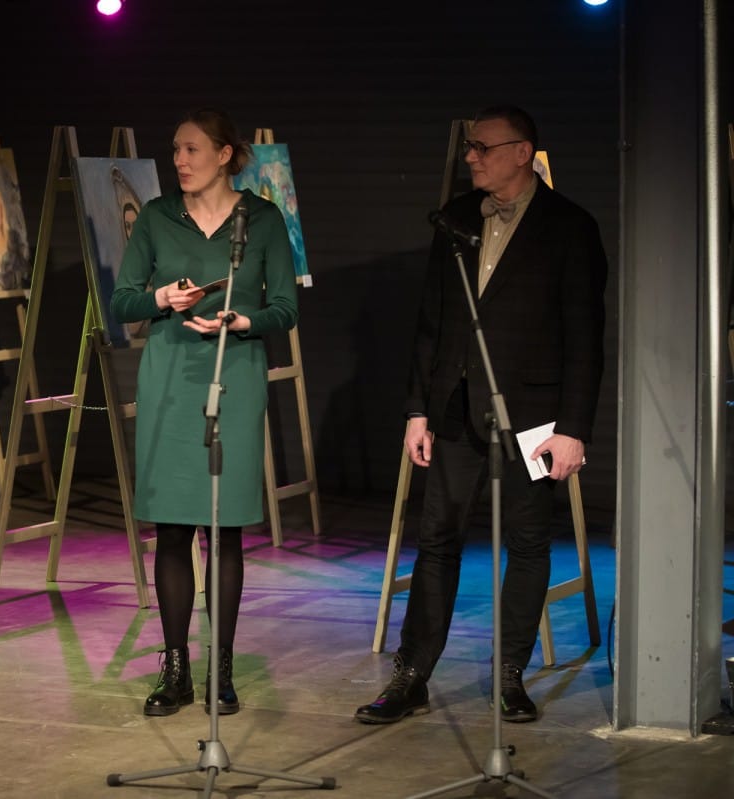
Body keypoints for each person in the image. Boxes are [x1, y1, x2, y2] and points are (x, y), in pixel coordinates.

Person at [355, 106, 607, 725]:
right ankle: (412, 675)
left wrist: (574, 428)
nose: (471, 156)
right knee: (437, 539)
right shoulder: (457, 218)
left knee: (527, 542)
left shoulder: (570, 225)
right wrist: (418, 409)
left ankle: (509, 674)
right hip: (453, 407)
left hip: (534, 415)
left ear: (522, 152)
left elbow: (586, 338)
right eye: (469, 147)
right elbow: (431, 322)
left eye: (482, 147)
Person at [110, 108, 298, 717]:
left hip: (234, 375)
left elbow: (286, 307)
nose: (179, 160)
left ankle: (220, 666)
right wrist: (163, 297)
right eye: (175, 150)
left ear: (224, 154)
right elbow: (122, 300)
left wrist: (242, 321)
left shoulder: (261, 219)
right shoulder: (157, 217)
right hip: (170, 376)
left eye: (191, 149)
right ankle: (175, 669)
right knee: (172, 527)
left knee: (224, 527)